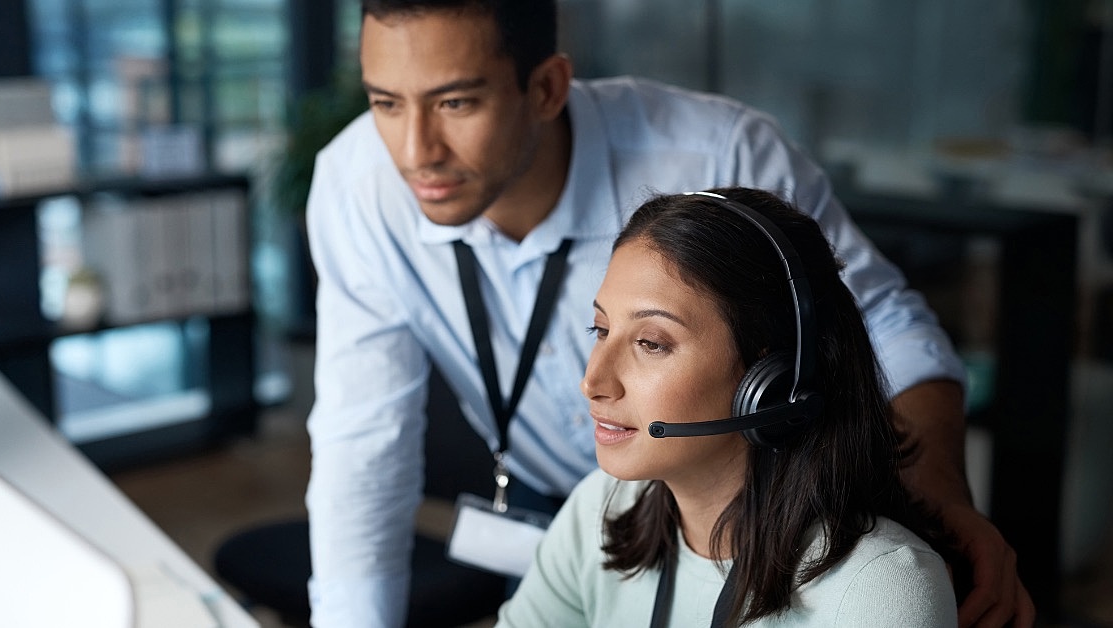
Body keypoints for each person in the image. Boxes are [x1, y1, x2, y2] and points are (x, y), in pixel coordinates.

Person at [304, 1, 1032, 626]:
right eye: (385, 103)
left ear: (548, 87)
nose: (412, 151)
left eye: (456, 102)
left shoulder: (715, 155)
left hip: (752, 501)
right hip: (590, 510)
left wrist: (937, 501)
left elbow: (881, 329)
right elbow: (362, 442)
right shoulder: (356, 187)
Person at [497, 187, 959, 627]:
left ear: (772, 380)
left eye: (651, 343)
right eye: (600, 330)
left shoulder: (882, 586)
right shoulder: (601, 507)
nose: (592, 382)